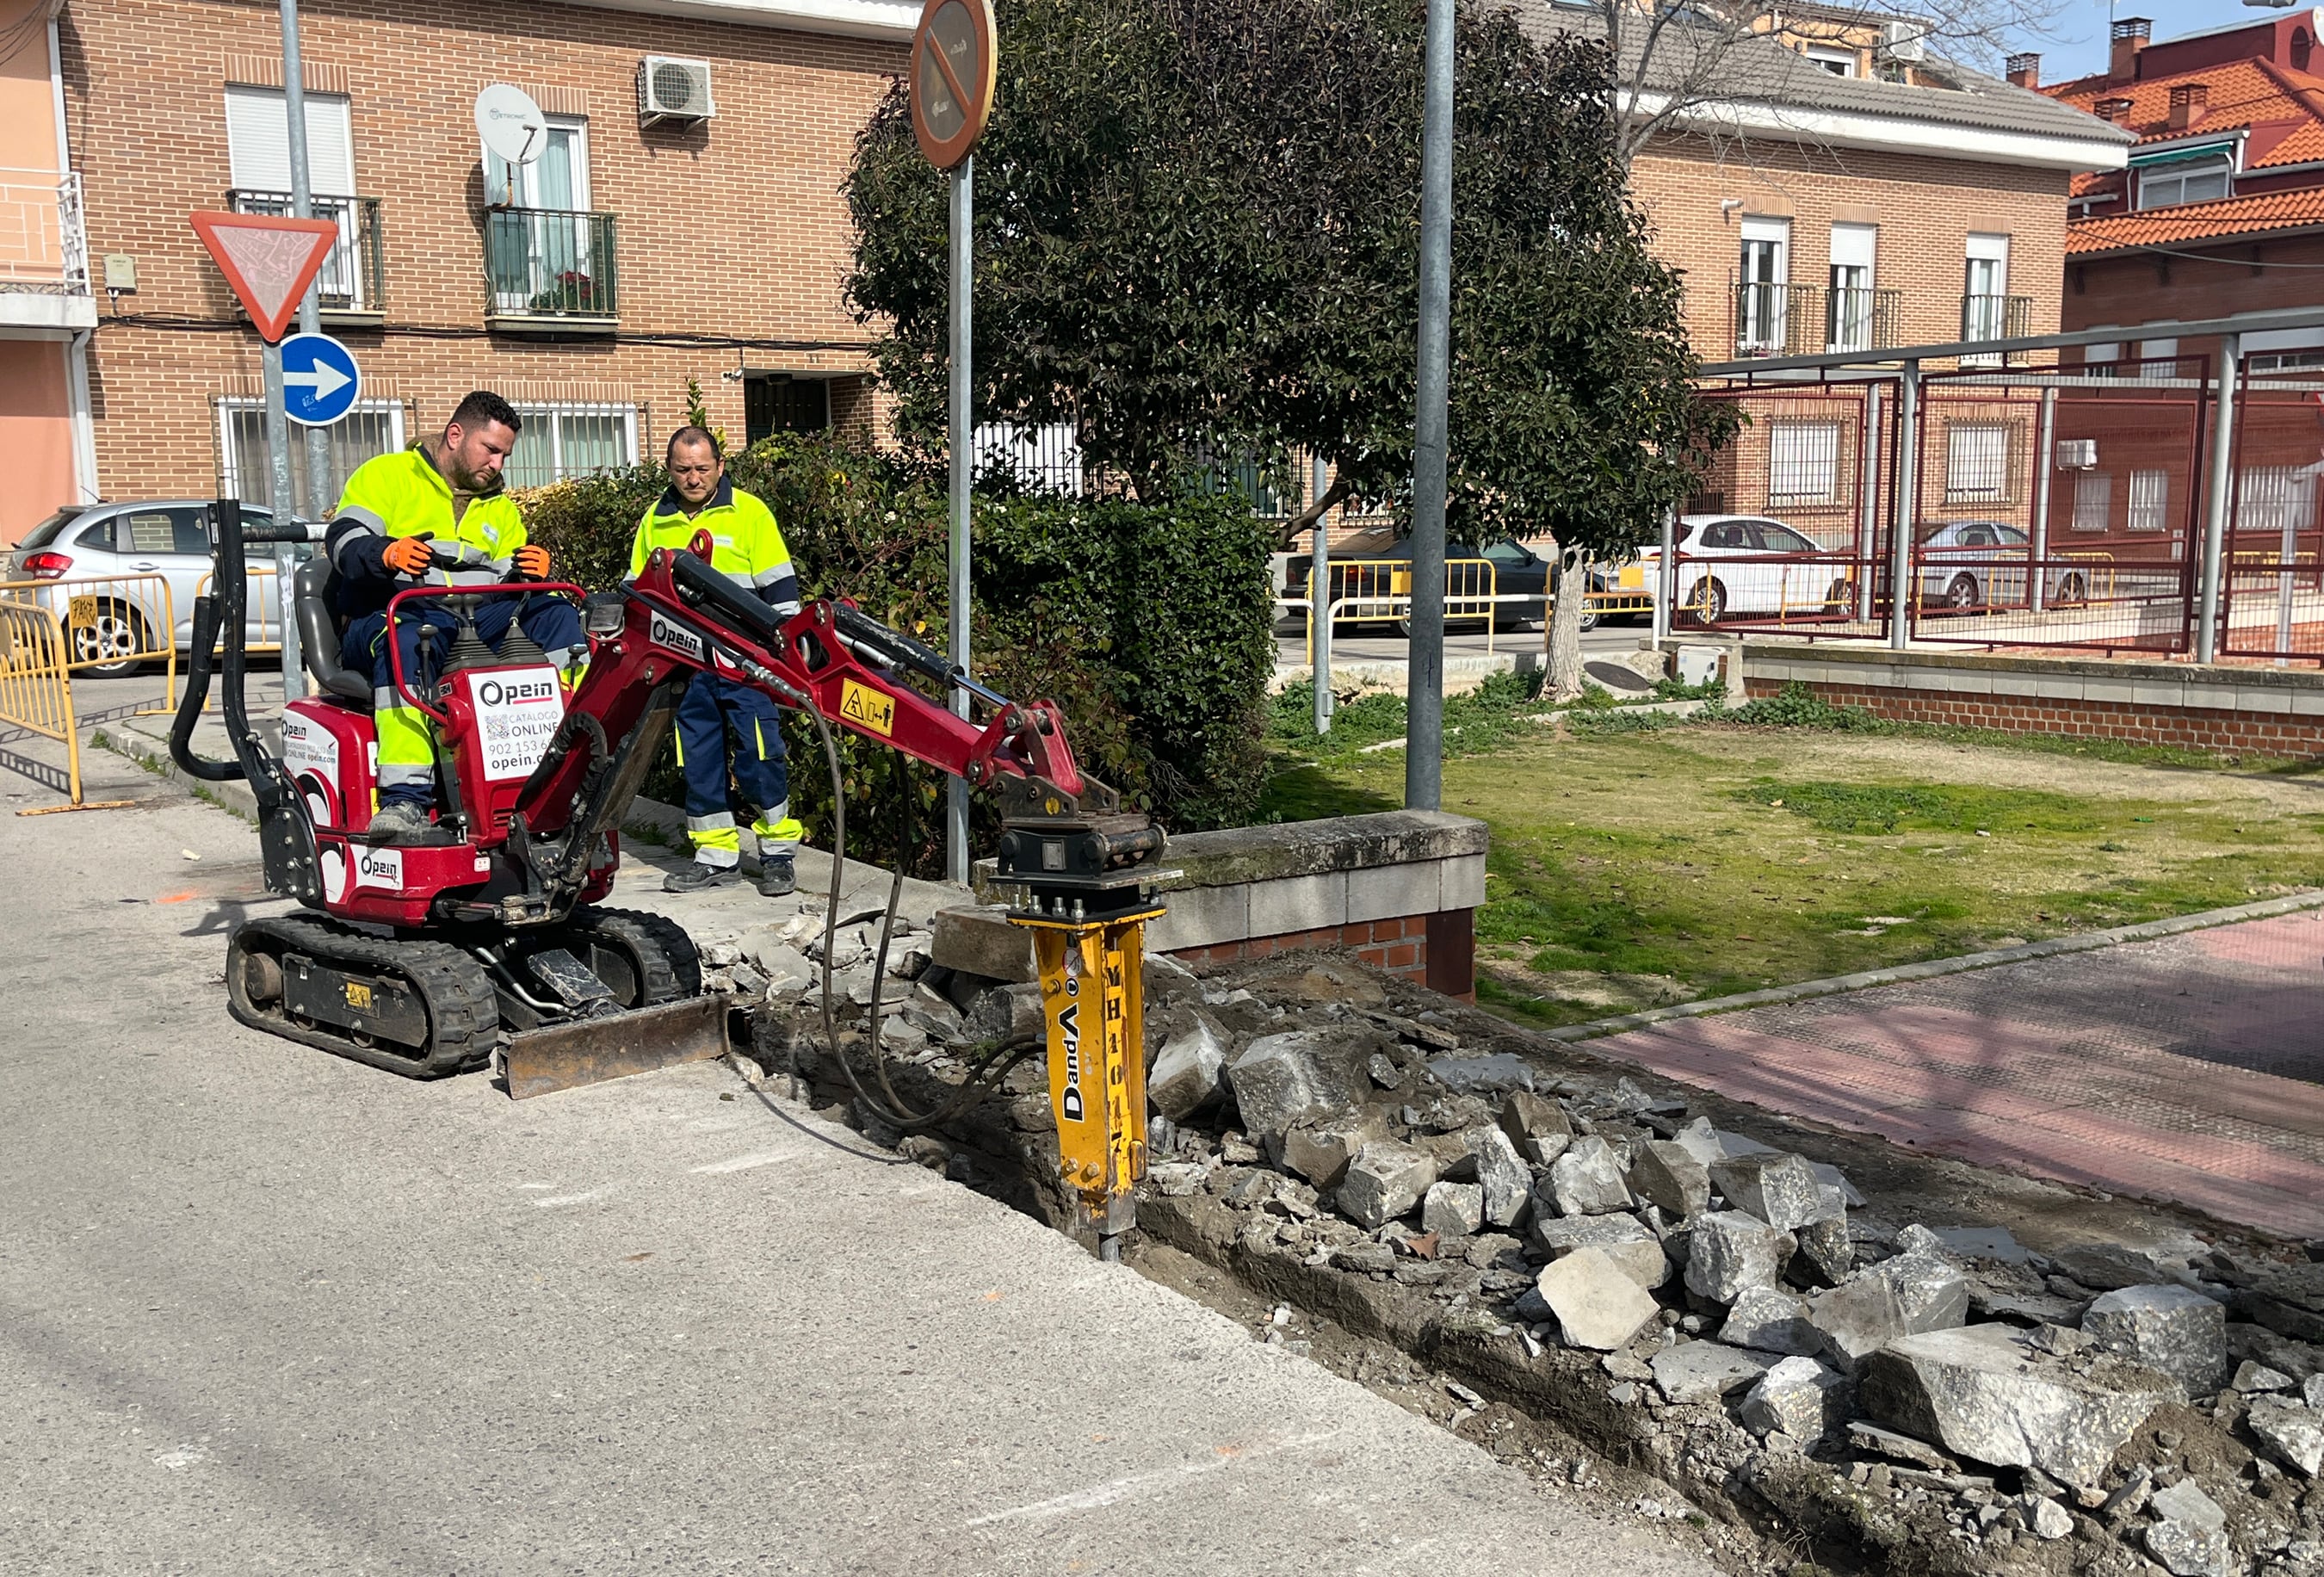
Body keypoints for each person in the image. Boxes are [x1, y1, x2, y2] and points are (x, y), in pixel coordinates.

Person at [326, 391, 585, 844]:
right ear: (455, 435)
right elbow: (343, 543)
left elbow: (507, 583)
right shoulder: (387, 476)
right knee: (410, 638)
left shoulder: (499, 507)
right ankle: (404, 798)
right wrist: (385, 552)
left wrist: (532, 574)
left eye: (505, 454)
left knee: (556, 614)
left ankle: (569, 762)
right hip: (386, 612)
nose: (499, 464)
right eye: (491, 450)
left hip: (468, 618)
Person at [629, 425, 804, 895]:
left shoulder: (749, 513)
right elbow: (639, 591)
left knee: (761, 755)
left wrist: (784, 650)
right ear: (669, 470)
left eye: (702, 469)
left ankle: (778, 854)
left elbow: (782, 590)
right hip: (687, 664)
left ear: (720, 467)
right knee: (699, 761)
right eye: (683, 470)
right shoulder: (655, 520)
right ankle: (716, 857)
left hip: (747, 662)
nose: (693, 478)